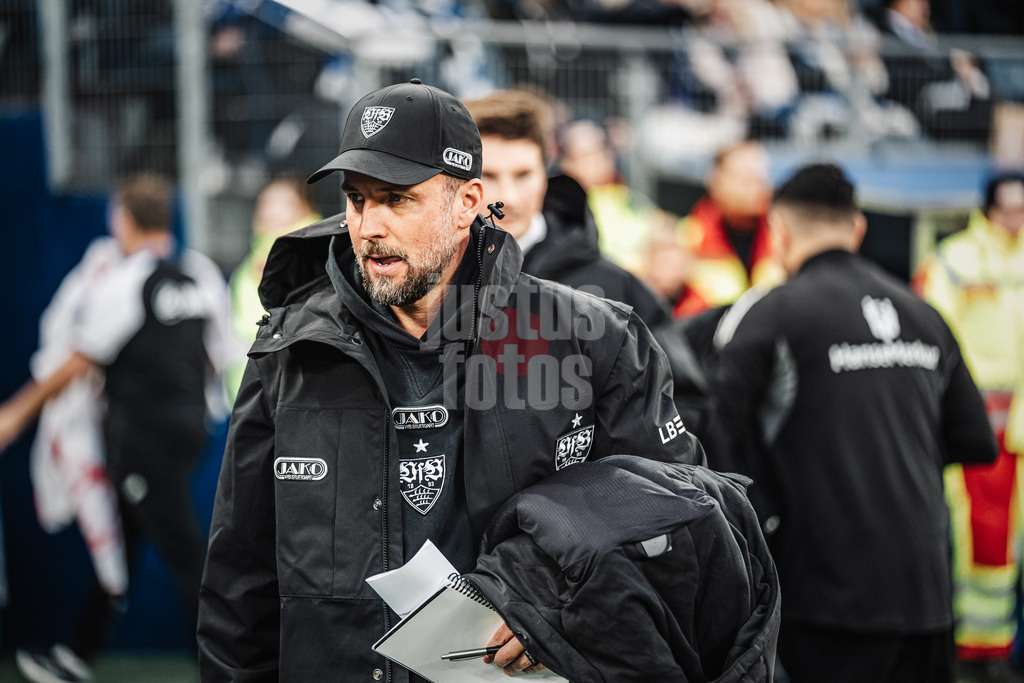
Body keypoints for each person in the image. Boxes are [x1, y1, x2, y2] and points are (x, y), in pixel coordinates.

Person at [197, 79, 706, 682]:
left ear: (467, 203)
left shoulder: (595, 339)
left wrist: (561, 610)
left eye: (397, 199)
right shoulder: (289, 349)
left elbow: (676, 521)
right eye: (357, 199)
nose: (369, 225)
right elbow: (240, 580)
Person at [709, 163, 996, 682]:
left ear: (779, 231)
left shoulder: (772, 314)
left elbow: (718, 437)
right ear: (858, 227)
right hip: (926, 595)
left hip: (827, 599)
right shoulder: (922, 313)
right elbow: (976, 439)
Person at [0, 172, 239, 683]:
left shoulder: (123, 282)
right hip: (191, 434)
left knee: (184, 552)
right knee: (124, 540)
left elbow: (78, 359)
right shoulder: (200, 274)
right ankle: (75, 655)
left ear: (122, 221)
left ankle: (226, 667)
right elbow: (219, 357)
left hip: (144, 443)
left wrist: (15, 414)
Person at [913, 170, 1024, 681]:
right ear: (987, 209)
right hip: (983, 425)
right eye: (1008, 208)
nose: (1016, 218)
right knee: (980, 533)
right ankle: (977, 647)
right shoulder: (954, 261)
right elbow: (930, 334)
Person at [462, 89, 670, 330]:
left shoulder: (615, 289)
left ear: (546, 174)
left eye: (523, 175)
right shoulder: (436, 277)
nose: (509, 198)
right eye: (488, 176)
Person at [226, 173, 320, 401]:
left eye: (282, 203)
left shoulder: (318, 256)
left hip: (301, 393)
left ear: (306, 208)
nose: (270, 212)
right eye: (264, 203)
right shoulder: (247, 268)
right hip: (249, 395)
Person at [677, 140, 784, 309]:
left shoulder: (783, 235)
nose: (757, 188)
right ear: (716, 179)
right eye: (746, 180)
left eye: (761, 179)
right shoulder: (687, 239)